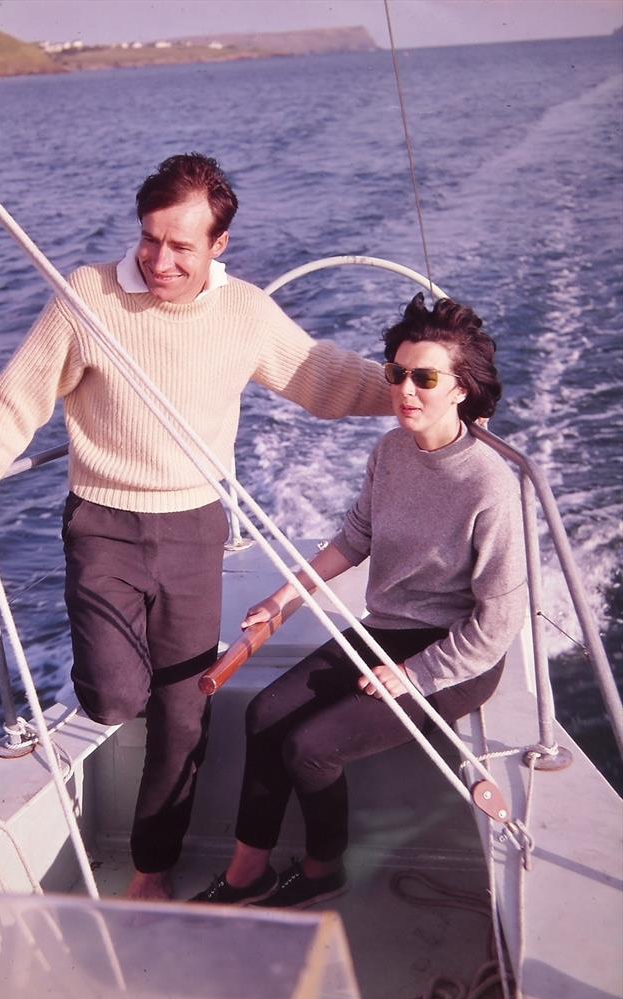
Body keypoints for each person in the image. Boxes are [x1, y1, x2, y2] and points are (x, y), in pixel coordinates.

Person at [0, 153, 393, 901]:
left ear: (219, 247)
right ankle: (136, 800)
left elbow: (325, 379)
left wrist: (422, 392)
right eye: (149, 239)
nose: (159, 260)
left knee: (184, 713)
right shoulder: (89, 295)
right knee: (113, 698)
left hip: (194, 528)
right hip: (102, 523)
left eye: (181, 246)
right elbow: (14, 402)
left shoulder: (246, 314)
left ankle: (151, 869)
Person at [191, 292, 527, 909]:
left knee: (310, 747)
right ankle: (247, 875)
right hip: (388, 630)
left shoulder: (491, 485)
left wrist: (413, 675)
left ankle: (323, 870)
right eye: (396, 374)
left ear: (461, 388)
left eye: (424, 377)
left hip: (454, 657)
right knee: (262, 716)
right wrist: (282, 601)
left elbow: (496, 623)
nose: (405, 390)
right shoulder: (391, 452)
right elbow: (354, 539)